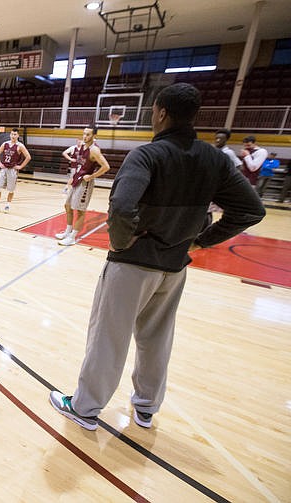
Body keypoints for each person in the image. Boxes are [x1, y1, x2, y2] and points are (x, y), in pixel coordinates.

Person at [49, 83, 265, 431]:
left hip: (133, 265)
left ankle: (85, 408)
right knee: (157, 339)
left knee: (109, 336)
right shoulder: (213, 159)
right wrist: (199, 242)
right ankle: (146, 407)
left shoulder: (147, 155)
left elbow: (120, 207)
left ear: (161, 112)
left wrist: (120, 243)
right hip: (175, 266)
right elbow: (251, 210)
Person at [55, 127, 111, 245]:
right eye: (84, 134)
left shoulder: (94, 150)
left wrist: (91, 176)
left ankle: (73, 237)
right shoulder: (81, 146)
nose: (85, 136)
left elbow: (106, 167)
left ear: (94, 135)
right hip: (77, 179)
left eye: (88, 134)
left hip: (85, 183)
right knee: (68, 206)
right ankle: (68, 231)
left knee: (80, 210)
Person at [0, 127, 31, 212]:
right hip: (4, 168)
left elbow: (28, 157)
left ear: (18, 135)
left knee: (11, 189)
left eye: (15, 134)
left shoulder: (20, 146)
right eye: (12, 134)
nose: (13, 136)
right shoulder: (5, 144)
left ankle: (7, 206)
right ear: (10, 135)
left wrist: (20, 167)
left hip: (13, 170)